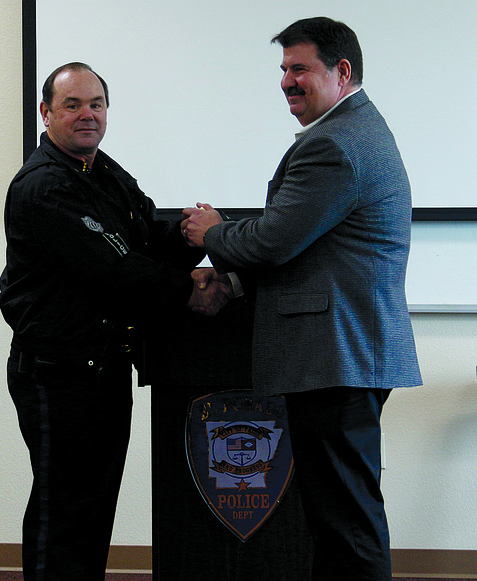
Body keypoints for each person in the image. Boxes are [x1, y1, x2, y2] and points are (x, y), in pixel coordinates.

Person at [182, 17, 422, 581]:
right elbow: (309, 249)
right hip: (343, 355)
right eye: (283, 70)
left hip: (336, 356)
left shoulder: (335, 144)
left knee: (346, 520)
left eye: (300, 69)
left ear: (341, 72)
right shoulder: (353, 129)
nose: (288, 82)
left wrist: (211, 233)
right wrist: (236, 282)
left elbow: (273, 239)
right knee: (337, 515)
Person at [0, 62, 231, 581]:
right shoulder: (44, 186)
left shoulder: (101, 170)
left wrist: (196, 235)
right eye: (73, 105)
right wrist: (188, 288)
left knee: (94, 507)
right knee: (64, 511)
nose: (88, 115)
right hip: (58, 375)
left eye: (96, 104)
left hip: (104, 368)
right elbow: (114, 267)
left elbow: (145, 235)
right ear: (45, 113)